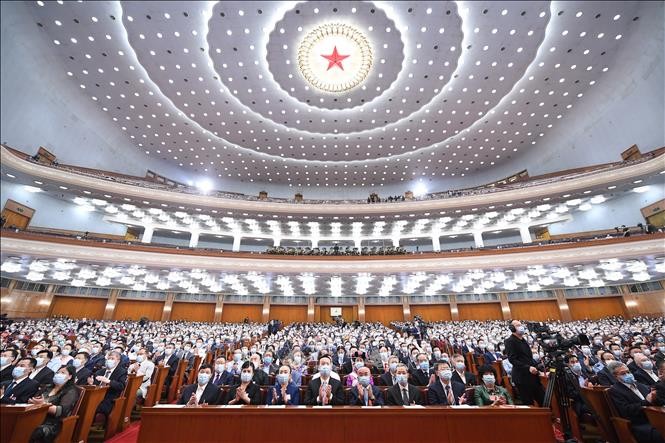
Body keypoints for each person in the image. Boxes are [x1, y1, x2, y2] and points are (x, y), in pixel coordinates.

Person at [607, 361, 665, 443]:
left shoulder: (639, 384)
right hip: (640, 422)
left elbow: (654, 400)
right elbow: (626, 410)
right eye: (623, 373)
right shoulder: (615, 391)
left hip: (654, 416)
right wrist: (646, 401)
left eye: (628, 372)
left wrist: (656, 397)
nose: (628, 375)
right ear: (615, 376)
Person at [28, 366, 81, 443]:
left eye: (63, 373)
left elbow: (61, 411)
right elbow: (34, 399)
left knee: (36, 431)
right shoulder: (47, 387)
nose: (58, 374)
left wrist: (43, 405)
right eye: (57, 372)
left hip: (53, 423)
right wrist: (32, 401)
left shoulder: (71, 391)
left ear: (70, 377)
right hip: (36, 416)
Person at [504, 320, 545, 406]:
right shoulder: (510, 341)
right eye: (517, 325)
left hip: (532, 375)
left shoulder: (523, 340)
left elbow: (528, 358)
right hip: (522, 377)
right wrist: (527, 367)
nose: (521, 327)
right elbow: (512, 359)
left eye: (520, 325)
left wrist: (539, 369)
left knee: (543, 400)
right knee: (529, 403)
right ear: (512, 328)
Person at [91, 351, 127, 417]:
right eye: (108, 359)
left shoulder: (122, 371)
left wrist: (109, 381)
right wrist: (91, 383)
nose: (109, 360)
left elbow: (121, 386)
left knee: (92, 407)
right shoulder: (99, 372)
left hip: (109, 398)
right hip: (96, 396)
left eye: (112, 359)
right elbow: (95, 385)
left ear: (118, 361)